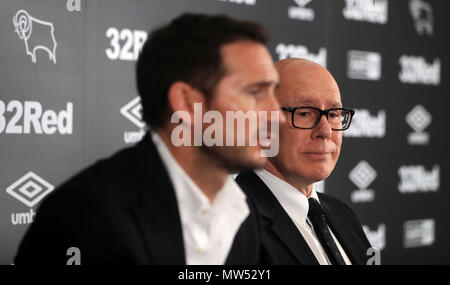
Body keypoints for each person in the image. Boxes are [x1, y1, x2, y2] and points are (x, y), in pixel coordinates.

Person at [14, 13, 283, 264]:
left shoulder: (243, 211)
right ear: (187, 104)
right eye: (255, 92)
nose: (277, 116)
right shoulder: (85, 214)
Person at [236, 58, 372, 265]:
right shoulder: (232, 223)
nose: (325, 131)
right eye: (305, 113)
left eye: (334, 114)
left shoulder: (344, 215)